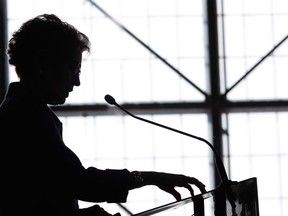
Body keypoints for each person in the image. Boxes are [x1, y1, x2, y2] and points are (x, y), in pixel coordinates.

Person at [0, 14, 206, 216]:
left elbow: (47, 193)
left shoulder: (22, 111)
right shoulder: (25, 116)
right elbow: (78, 182)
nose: (77, 82)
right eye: (74, 68)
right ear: (42, 63)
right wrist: (149, 178)